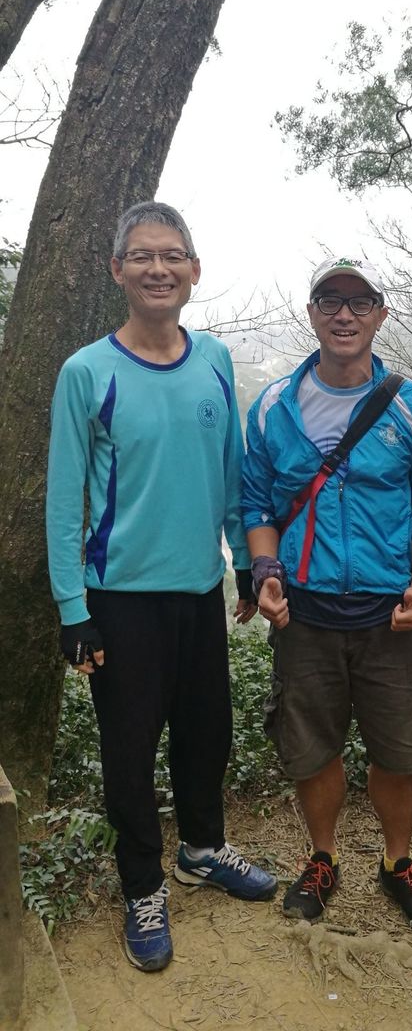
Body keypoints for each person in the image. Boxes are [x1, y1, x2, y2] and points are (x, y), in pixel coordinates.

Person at [46, 201, 277, 973]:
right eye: (141, 256)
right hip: (120, 599)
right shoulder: (87, 372)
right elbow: (64, 500)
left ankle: (202, 849)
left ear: (193, 270)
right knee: (129, 753)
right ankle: (142, 886)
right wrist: (73, 609)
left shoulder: (212, 359)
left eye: (172, 255)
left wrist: (243, 562)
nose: (158, 268)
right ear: (118, 270)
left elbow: (232, 470)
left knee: (207, 733)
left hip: (198, 588)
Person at [242, 257, 412, 938]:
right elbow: (257, 503)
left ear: (380, 315)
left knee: (399, 751)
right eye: (329, 300)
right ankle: (322, 858)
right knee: (313, 748)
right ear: (311, 314)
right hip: (303, 613)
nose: (344, 314)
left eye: (359, 303)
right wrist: (265, 571)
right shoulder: (273, 407)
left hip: (388, 615)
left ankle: (397, 863)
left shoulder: (410, 406)